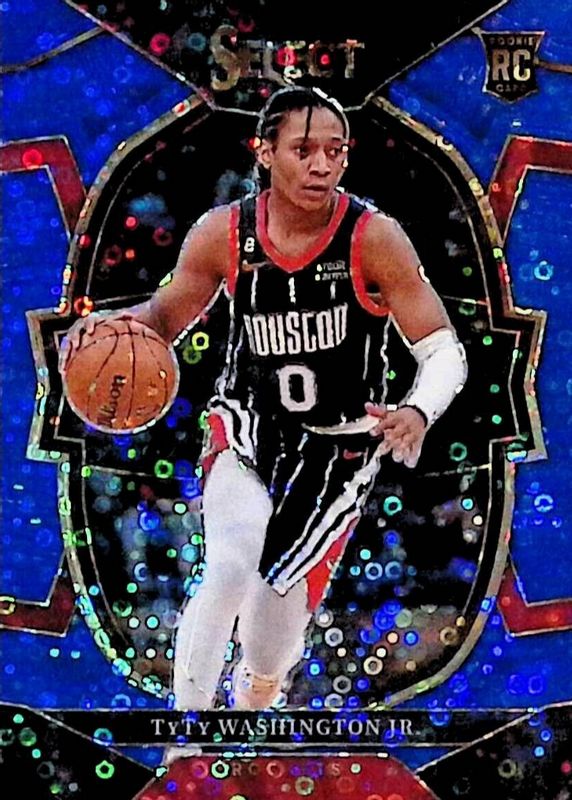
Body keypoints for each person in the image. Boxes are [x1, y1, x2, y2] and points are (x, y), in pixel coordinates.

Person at [60, 86, 467, 720]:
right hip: (247, 423)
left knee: (270, 642)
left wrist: (417, 410)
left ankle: (254, 699)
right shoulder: (223, 234)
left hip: (337, 451)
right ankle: (186, 734)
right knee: (228, 563)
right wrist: (105, 331)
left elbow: (444, 351)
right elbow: (161, 320)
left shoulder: (374, 238)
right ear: (265, 152)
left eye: (335, 151)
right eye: (304, 150)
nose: (322, 165)